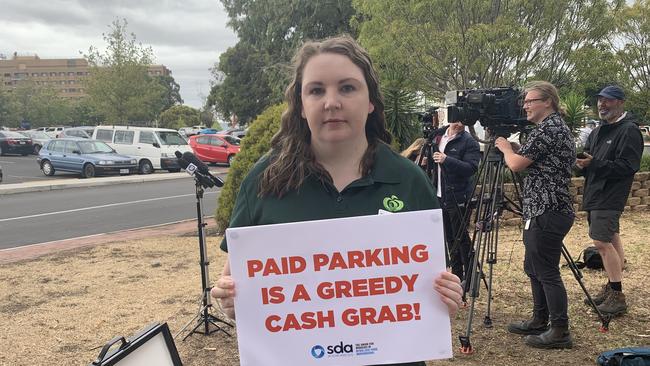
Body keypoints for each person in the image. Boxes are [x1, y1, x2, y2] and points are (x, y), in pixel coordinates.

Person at [210, 35, 463, 366]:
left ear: (370, 100)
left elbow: (431, 280)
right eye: (316, 90)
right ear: (300, 105)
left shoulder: (409, 181)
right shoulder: (264, 180)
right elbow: (234, 282)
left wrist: (446, 297)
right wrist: (228, 301)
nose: (331, 101)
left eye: (347, 88)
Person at [494, 81, 576, 349]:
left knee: (546, 270)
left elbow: (516, 166)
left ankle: (560, 330)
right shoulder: (549, 129)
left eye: (530, 101)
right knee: (534, 267)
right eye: (525, 101)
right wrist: (517, 150)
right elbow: (532, 158)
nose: (525, 106)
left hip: (548, 208)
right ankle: (540, 319)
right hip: (542, 208)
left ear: (548, 102)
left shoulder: (549, 128)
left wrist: (506, 149)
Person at [575, 85, 643, 316]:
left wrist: (594, 164)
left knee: (601, 242)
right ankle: (611, 285)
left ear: (621, 102)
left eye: (609, 100)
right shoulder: (597, 132)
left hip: (611, 195)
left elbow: (628, 167)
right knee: (611, 239)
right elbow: (589, 160)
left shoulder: (629, 131)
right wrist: (582, 165)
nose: (602, 105)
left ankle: (617, 294)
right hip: (594, 193)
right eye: (600, 101)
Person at [432, 120, 481, 283]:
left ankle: (470, 276)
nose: (460, 124)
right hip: (440, 196)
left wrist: (447, 160)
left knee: (461, 238)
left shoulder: (469, 141)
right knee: (449, 239)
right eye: (457, 120)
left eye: (463, 121)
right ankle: (457, 276)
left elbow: (471, 168)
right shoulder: (438, 136)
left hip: (459, 196)